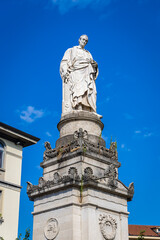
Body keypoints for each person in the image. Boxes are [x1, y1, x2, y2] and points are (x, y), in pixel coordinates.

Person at [60, 35, 98, 114]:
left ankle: (89, 109)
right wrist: (65, 71)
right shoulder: (72, 50)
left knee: (89, 90)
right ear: (79, 40)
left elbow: (93, 65)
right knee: (78, 90)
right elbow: (64, 62)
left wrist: (95, 65)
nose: (84, 41)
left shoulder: (88, 53)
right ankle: (78, 106)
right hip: (76, 72)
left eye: (86, 41)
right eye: (83, 39)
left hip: (87, 73)